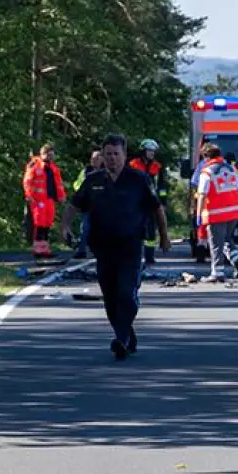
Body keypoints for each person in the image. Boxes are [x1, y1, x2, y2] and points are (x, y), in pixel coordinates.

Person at [64, 134, 169, 360]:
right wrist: (65, 227)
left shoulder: (138, 179)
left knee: (126, 293)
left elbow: (157, 208)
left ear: (124, 155)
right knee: (110, 297)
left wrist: (164, 236)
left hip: (130, 245)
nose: (112, 159)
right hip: (102, 247)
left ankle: (120, 338)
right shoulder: (93, 180)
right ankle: (126, 335)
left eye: (116, 154)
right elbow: (74, 204)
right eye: (108, 154)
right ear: (102, 156)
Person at [194, 143, 238, 281]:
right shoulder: (231, 169)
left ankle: (217, 273)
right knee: (227, 239)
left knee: (216, 244)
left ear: (206, 156)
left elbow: (202, 195)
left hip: (216, 214)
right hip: (233, 212)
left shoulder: (207, 172)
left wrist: (198, 215)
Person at [22, 143, 66, 258]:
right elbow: (27, 181)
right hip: (38, 199)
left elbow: (58, 184)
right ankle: (37, 249)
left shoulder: (53, 168)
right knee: (39, 224)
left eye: (52, 156)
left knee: (47, 224)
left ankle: (45, 249)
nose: (51, 158)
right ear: (43, 154)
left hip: (49, 199)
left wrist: (61, 196)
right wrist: (29, 195)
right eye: (49, 155)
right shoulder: (34, 165)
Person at [127, 139, 166, 268]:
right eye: (150, 151)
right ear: (143, 151)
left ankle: (149, 256)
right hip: (135, 202)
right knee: (134, 228)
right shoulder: (133, 164)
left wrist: (162, 203)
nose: (152, 153)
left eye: (153, 151)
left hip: (151, 202)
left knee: (150, 231)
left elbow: (162, 187)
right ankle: (133, 254)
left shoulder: (157, 167)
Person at [69, 150, 104, 259]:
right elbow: (77, 185)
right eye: (93, 158)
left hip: (103, 207)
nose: (94, 160)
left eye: (97, 158)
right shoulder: (86, 172)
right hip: (87, 205)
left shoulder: (106, 172)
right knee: (85, 228)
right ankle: (82, 250)